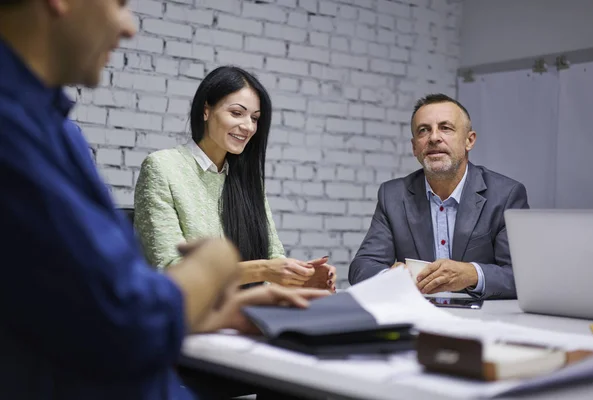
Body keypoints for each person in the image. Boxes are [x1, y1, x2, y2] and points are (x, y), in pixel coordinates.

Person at [0, 1, 327, 399]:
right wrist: (218, 265)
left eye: (255, 119)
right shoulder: (156, 165)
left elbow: (105, 299)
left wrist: (278, 285)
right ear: (206, 110)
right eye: (119, 3)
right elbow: (131, 306)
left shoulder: (56, 128)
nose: (129, 26)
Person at [134, 65, 337, 292]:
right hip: (193, 320)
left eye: (255, 118)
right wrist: (261, 270)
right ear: (206, 110)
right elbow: (172, 271)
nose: (248, 127)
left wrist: (301, 279)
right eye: (237, 113)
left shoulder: (248, 181)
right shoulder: (162, 167)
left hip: (249, 312)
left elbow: (274, 258)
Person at [349, 93, 529, 299]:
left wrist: (473, 274)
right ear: (415, 146)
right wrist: (389, 277)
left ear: (469, 140)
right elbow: (361, 267)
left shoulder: (506, 194)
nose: (434, 137)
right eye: (424, 130)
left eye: (446, 128)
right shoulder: (392, 196)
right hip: (418, 318)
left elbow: (521, 277)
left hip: (481, 320)